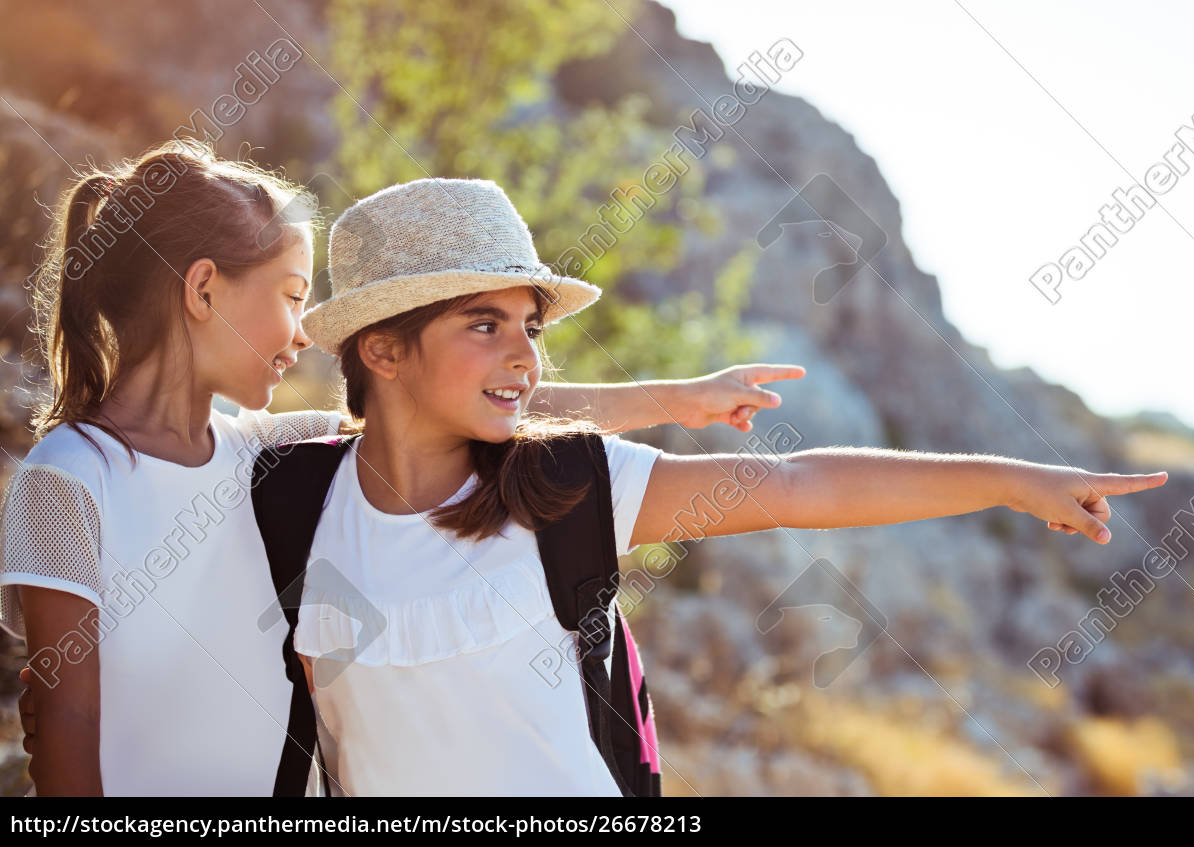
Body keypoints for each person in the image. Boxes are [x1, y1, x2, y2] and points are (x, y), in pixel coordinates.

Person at [284, 177, 1168, 796]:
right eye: (485, 323)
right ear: (383, 347)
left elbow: (798, 484)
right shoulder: (284, 492)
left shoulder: (568, 483)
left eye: (531, 324)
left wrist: (1010, 481)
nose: (525, 352)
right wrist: (665, 395)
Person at [1, 141, 805, 796]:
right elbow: (62, 721)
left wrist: (677, 398)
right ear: (204, 289)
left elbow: (468, 404)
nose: (303, 334)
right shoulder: (71, 476)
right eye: (288, 295)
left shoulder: (261, 452)